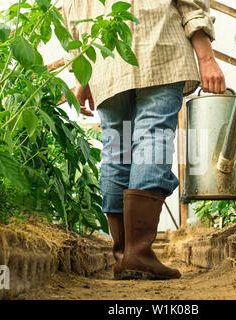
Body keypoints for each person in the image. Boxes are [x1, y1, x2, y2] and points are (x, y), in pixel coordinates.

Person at [63, 0, 225, 280]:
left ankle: (124, 255)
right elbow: (191, 5)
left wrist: (83, 77)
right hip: (159, 48)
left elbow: (72, 17)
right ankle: (137, 253)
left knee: (116, 151)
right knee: (153, 137)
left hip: (105, 63)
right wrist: (207, 58)